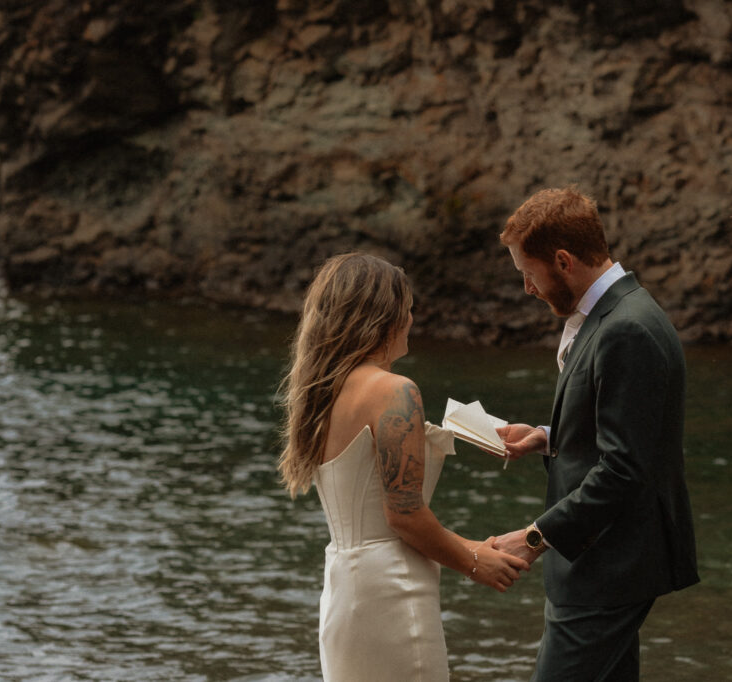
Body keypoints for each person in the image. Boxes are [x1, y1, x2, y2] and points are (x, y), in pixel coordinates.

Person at [278, 252, 529, 681]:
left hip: (343, 586)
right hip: (392, 591)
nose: (412, 318)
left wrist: (475, 544)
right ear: (385, 316)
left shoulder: (318, 394)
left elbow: (376, 518)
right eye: (408, 307)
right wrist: (474, 563)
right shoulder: (394, 391)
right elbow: (403, 516)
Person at [492, 188, 700, 681]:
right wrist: (548, 434)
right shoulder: (614, 313)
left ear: (562, 261)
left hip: (609, 566)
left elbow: (625, 469)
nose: (527, 287)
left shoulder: (626, 329)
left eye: (528, 272)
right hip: (607, 562)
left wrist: (535, 537)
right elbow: (625, 432)